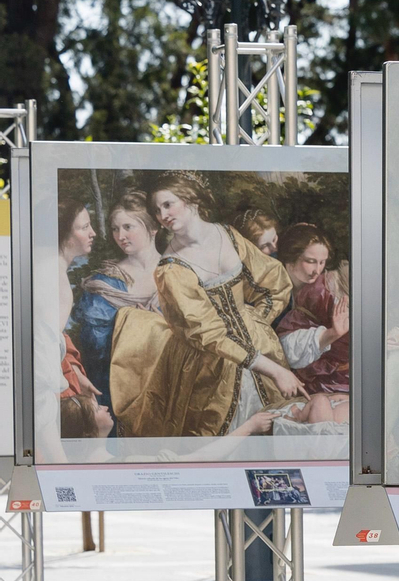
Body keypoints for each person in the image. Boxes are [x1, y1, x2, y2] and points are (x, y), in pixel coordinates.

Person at [131, 171, 307, 437]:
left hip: (256, 344)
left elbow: (273, 278)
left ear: (191, 199)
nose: (163, 214)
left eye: (168, 204)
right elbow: (208, 334)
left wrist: (255, 319)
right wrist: (273, 369)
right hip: (208, 360)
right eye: (157, 210)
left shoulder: (228, 234)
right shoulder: (171, 269)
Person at [70, 190, 162, 406]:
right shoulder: (104, 285)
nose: (120, 236)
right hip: (116, 391)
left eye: (128, 227)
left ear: (153, 227)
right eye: (115, 229)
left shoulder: (178, 274)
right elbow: (95, 351)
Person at [273, 223, 352, 412]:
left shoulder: (319, 289)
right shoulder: (273, 287)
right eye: (310, 261)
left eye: (322, 262)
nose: (318, 270)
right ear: (290, 260)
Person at [55, 197, 97, 399]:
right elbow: (45, 344)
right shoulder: (56, 280)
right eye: (84, 227)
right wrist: (68, 383)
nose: (93, 233)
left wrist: (77, 373)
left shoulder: (54, 270)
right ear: (66, 235)